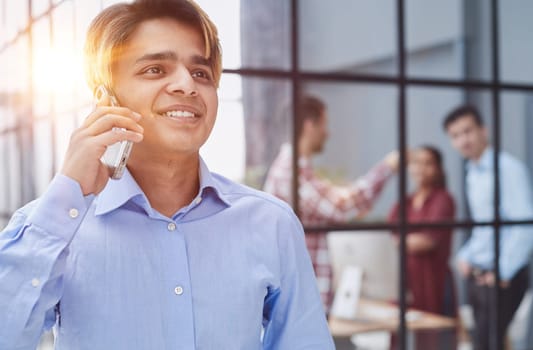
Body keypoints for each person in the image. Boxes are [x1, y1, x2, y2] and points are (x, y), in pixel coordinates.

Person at [0, 1, 335, 349]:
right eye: (156, 70)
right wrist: (68, 192)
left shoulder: (271, 223)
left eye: (201, 73)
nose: (187, 86)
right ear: (106, 98)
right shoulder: (55, 227)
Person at [263, 95, 398, 313]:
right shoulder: (292, 171)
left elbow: (335, 202)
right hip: (300, 299)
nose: (328, 133)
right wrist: (388, 167)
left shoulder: (296, 170)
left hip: (302, 296)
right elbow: (340, 207)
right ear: (309, 125)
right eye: (324, 125)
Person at [443, 105, 533, 350]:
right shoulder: (473, 171)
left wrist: (503, 272)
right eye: (455, 135)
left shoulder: (507, 168)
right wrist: (466, 255)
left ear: (484, 130)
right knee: (485, 342)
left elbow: (524, 224)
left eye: (467, 131)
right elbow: (487, 227)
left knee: (486, 344)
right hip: (478, 275)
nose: (463, 140)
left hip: (502, 277)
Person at [388, 145, 457, 349]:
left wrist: (400, 240)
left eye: (428, 163)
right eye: (417, 162)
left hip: (432, 283)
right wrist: (406, 240)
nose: (421, 168)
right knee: (400, 340)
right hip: (405, 284)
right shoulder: (404, 202)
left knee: (432, 341)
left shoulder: (443, 200)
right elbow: (389, 237)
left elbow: (426, 242)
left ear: (438, 169)